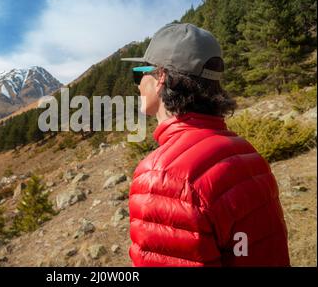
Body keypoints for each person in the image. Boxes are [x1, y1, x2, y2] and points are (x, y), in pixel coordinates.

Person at [121, 23, 290, 266]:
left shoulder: (163, 175)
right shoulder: (246, 151)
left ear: (160, 77)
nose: (137, 84)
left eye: (139, 73)